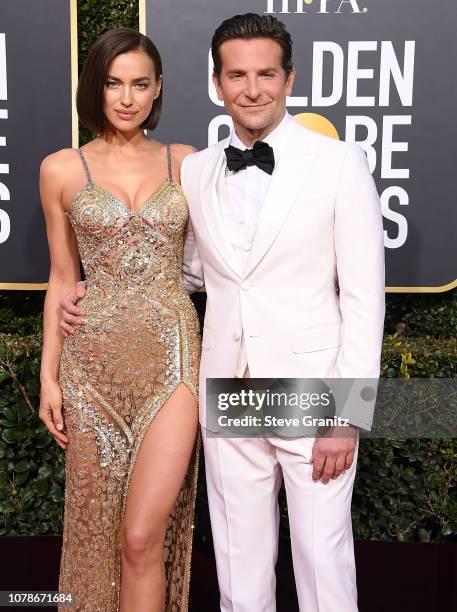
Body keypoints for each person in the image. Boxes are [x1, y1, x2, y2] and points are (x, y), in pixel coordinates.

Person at [61, 13, 385, 612]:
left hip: (312, 396)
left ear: (289, 80)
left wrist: (347, 414)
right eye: (237, 75)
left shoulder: (339, 164)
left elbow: (365, 297)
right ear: (217, 83)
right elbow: (190, 269)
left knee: (322, 566)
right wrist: (100, 287)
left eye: (266, 73)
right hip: (226, 387)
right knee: (239, 567)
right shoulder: (199, 168)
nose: (252, 88)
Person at [39, 28, 201, 612]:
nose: (127, 97)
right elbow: (62, 278)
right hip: (92, 370)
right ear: (96, 89)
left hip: (174, 362)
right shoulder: (61, 168)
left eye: (139, 83)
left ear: (159, 89)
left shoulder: (186, 163)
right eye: (113, 83)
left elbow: (229, 261)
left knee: (141, 536)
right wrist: (49, 377)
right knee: (98, 531)